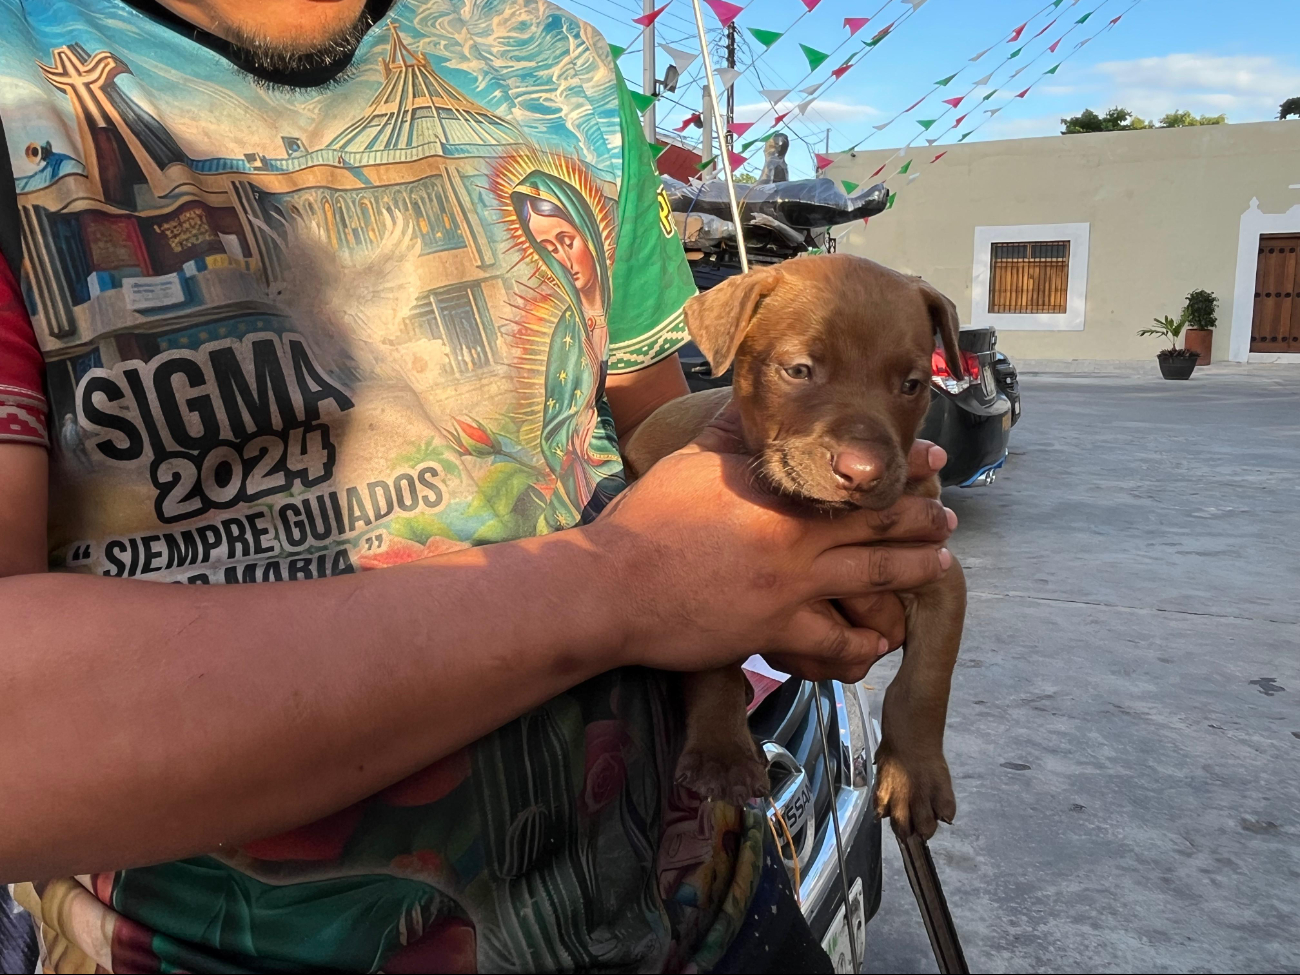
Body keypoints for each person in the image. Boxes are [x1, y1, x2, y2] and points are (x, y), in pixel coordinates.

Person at [0, 1, 955, 972]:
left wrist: (794, 566)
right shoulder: (17, 74)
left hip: (698, 901)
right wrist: (624, 583)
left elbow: (663, 441)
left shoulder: (553, 60)